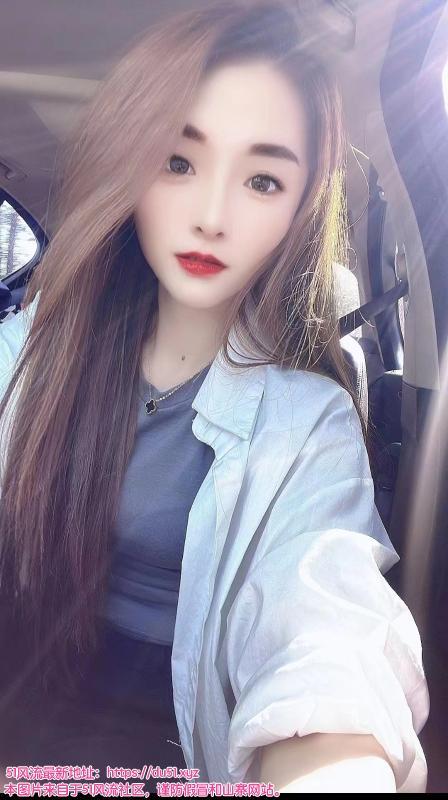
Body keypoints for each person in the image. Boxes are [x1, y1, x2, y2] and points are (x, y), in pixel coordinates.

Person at [0, 0, 429, 793]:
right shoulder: (27, 355)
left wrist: (333, 763)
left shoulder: (308, 422)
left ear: (299, 208)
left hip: (190, 736)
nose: (211, 216)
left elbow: (325, 631)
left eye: (262, 180)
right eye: (177, 161)